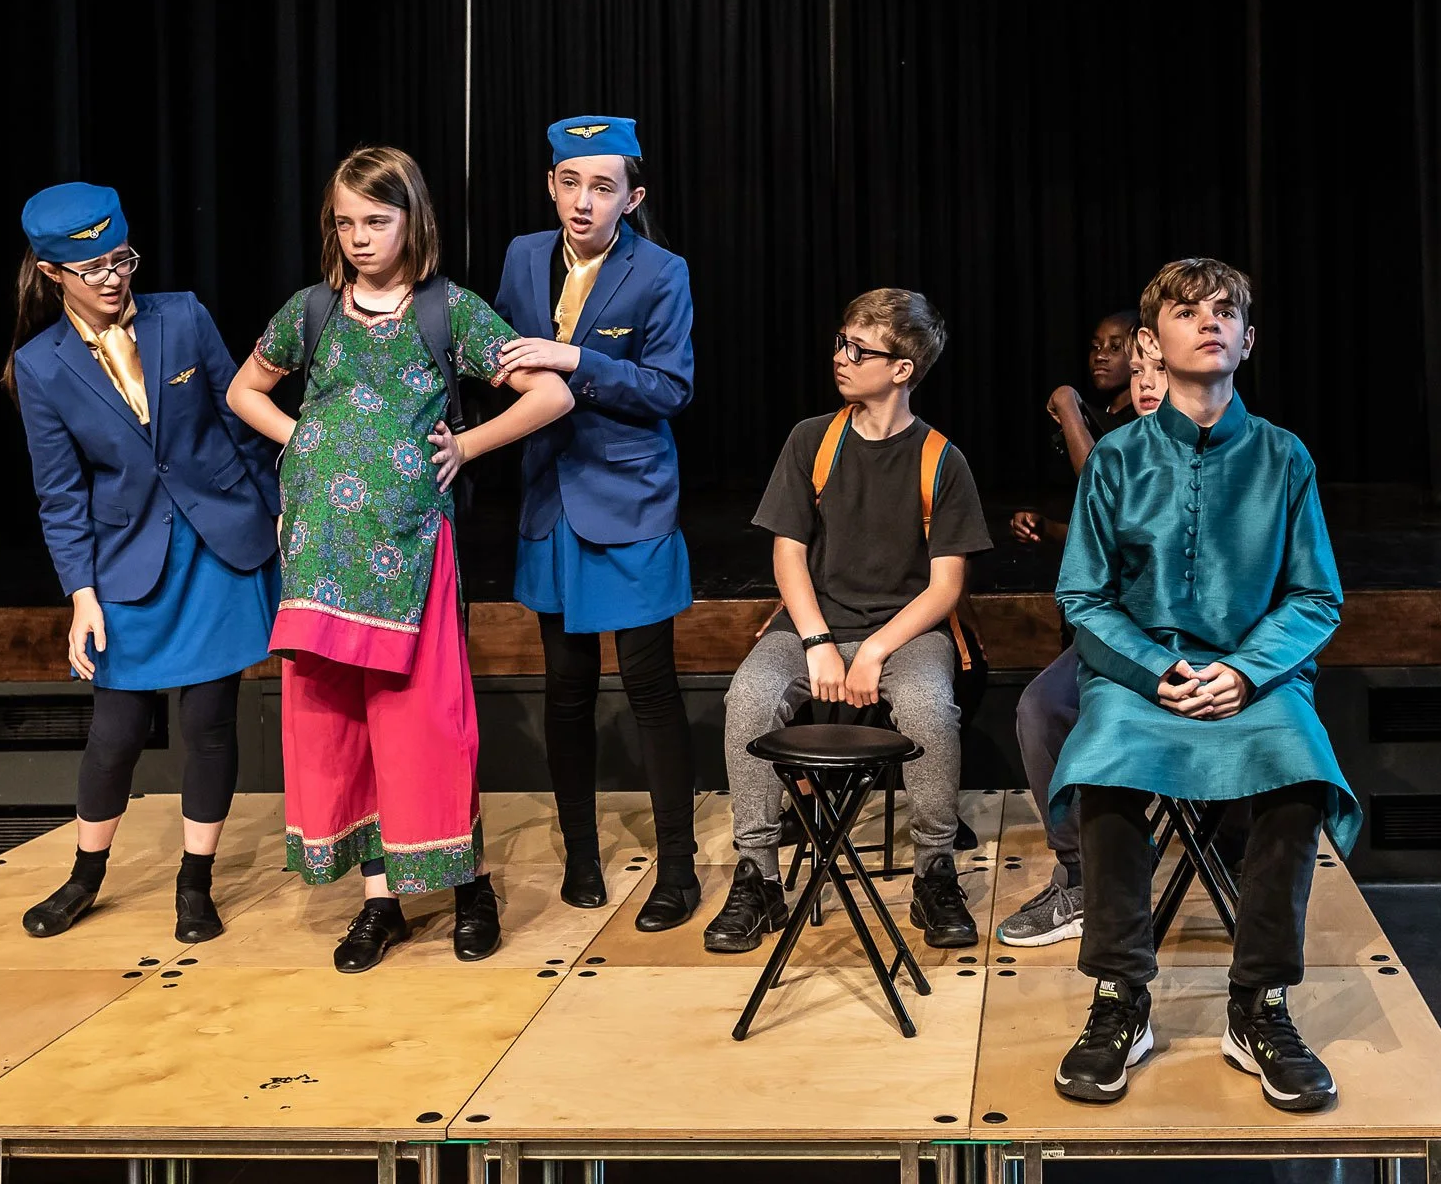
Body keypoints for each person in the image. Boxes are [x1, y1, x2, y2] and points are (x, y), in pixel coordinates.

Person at [227, 146, 573, 972]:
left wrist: (469, 446)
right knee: (339, 726)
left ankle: (469, 887)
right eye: (344, 223)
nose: (358, 237)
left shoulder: (446, 312)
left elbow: (552, 392)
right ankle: (380, 903)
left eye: (375, 222)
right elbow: (245, 390)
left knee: (427, 724)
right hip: (321, 557)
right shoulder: (311, 310)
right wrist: (304, 438)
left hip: (412, 551)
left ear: (412, 221)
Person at [1048, 258, 1359, 1111]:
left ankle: (1259, 1004)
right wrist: (1158, 670)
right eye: (1189, 313)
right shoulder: (1115, 458)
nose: (1210, 323)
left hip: (1257, 677)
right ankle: (1121, 997)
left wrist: (1244, 669)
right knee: (1105, 767)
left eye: (1227, 314)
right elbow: (1084, 597)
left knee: (1301, 770)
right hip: (1140, 677)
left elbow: (1315, 596)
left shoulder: (1284, 457)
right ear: (1153, 342)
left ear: (1249, 341)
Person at [5, 182, 281, 944]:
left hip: (221, 545)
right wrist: (81, 595)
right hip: (128, 562)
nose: (112, 278)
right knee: (117, 729)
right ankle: (85, 877)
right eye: (90, 268)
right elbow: (59, 493)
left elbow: (241, 422)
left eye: (120, 259)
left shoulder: (183, 316)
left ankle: (196, 883)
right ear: (52, 271)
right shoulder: (41, 365)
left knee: (210, 721)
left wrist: (283, 516)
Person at [702, 288, 992, 955]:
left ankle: (934, 872)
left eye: (859, 350)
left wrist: (876, 650)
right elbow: (787, 554)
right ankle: (758, 875)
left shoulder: (942, 459)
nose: (841, 357)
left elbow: (947, 585)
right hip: (814, 623)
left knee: (925, 705)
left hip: (908, 630)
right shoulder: (813, 440)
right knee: (749, 695)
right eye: (841, 342)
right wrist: (819, 642)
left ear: (901, 369)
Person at [491, 116, 700, 930]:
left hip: (630, 499)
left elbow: (671, 389)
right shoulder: (518, 257)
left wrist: (577, 360)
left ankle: (677, 871)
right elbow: (499, 360)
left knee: (649, 688)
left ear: (632, 197)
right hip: (550, 501)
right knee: (567, 689)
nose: (584, 201)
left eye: (603, 186)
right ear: (551, 185)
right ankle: (582, 853)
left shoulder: (662, 271)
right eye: (571, 182)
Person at [997, 339, 1167, 947]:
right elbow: (1103, 556)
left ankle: (1118, 867)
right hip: (1120, 634)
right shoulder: (1119, 452)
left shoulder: (1229, 453)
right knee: (1042, 707)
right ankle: (1082, 875)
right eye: (1139, 370)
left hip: (1197, 647)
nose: (1146, 381)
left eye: (1160, 369)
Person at [1011, 310, 1141, 548]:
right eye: (1095, 346)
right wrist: (1045, 526)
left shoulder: (1141, 423)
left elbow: (1095, 481)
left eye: (1115, 348)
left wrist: (1065, 399)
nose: (1100, 356)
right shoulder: (1092, 418)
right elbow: (1096, 529)